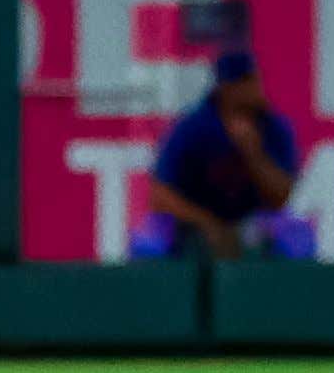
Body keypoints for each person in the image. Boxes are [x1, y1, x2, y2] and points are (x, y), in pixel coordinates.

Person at [131, 52, 316, 261]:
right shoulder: (194, 128)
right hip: (194, 222)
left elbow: (282, 198)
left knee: (299, 238)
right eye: (243, 82)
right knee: (147, 241)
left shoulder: (272, 127)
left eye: (252, 80)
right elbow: (161, 196)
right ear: (225, 88)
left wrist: (253, 154)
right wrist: (207, 224)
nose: (253, 88)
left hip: (252, 223)